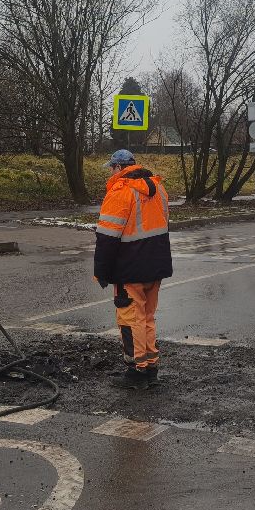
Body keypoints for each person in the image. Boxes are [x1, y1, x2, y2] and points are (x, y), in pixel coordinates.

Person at [94, 149, 173, 389]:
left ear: (119, 168)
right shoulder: (159, 189)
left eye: (111, 168)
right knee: (147, 317)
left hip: (129, 268)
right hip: (156, 264)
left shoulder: (120, 192)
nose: (110, 172)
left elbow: (107, 238)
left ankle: (137, 371)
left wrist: (101, 272)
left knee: (130, 318)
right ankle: (151, 367)